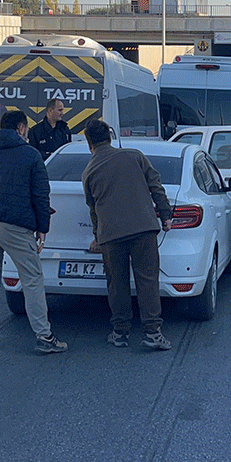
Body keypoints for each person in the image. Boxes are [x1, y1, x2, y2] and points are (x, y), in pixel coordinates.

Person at [0, 109, 67, 355]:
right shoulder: (30, 155)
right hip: (18, 228)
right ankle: (43, 336)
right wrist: (42, 228)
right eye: (26, 129)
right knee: (31, 281)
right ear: (20, 128)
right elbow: (41, 194)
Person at [81, 118, 174, 351]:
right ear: (110, 138)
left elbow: (94, 210)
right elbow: (156, 186)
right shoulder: (135, 156)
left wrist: (98, 236)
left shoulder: (89, 172)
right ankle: (153, 332)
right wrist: (165, 215)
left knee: (117, 284)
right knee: (147, 280)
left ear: (89, 143)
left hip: (111, 235)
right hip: (143, 229)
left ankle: (120, 332)